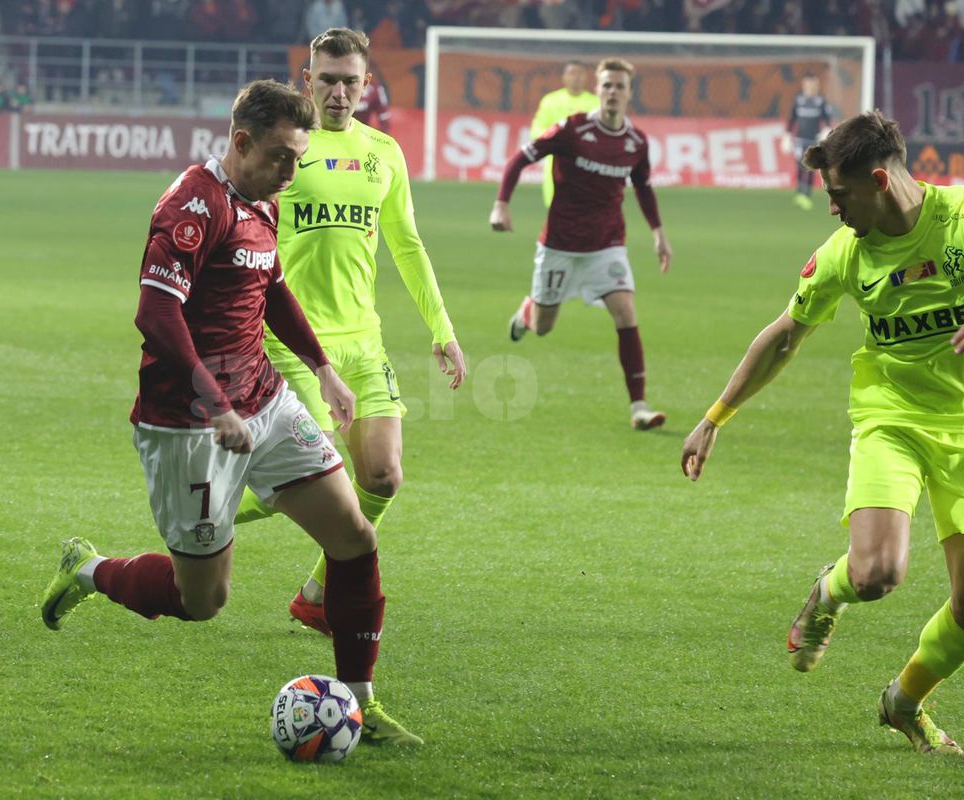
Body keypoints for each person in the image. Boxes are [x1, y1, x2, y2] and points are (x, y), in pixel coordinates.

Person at [38, 79, 422, 746]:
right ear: (241, 142)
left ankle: (361, 705)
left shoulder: (264, 200)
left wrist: (324, 369)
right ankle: (89, 571)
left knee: (354, 537)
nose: (291, 172)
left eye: (298, 157)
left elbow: (272, 291)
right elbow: (155, 312)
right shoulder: (194, 204)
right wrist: (214, 404)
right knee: (202, 600)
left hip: (265, 402)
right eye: (281, 156)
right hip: (188, 424)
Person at [681, 111, 964, 755]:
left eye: (839, 195)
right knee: (878, 574)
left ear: (878, 181)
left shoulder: (958, 218)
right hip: (892, 419)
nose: (832, 209)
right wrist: (714, 417)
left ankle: (903, 702)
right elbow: (785, 336)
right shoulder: (844, 254)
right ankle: (827, 592)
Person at [234, 28, 467, 636]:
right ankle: (207, 511)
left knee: (382, 477)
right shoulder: (285, 147)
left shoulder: (383, 152)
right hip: (292, 340)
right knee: (319, 471)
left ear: (367, 85)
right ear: (306, 81)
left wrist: (441, 327)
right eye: (327, 80)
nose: (338, 93)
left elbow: (407, 244)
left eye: (350, 82)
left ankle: (317, 593)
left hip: (364, 342)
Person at [490, 58, 672, 431]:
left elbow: (643, 187)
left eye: (620, 86)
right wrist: (501, 204)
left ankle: (639, 406)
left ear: (630, 93)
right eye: (607, 85)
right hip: (560, 245)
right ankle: (527, 312)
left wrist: (658, 233)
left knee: (626, 312)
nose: (612, 92)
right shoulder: (572, 129)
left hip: (607, 245)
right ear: (598, 89)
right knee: (544, 326)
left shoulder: (636, 142)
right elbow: (519, 159)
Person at [530, 61, 599, 208]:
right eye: (572, 73)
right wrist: (556, 142)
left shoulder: (595, 104)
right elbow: (537, 129)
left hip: (585, 164)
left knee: (584, 209)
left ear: (586, 77)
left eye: (580, 73)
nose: (576, 77)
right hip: (556, 162)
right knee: (555, 208)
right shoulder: (550, 101)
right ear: (564, 77)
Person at [788, 73, 834, 210]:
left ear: (817, 86)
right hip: (800, 139)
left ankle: (807, 194)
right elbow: (792, 118)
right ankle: (799, 193)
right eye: (808, 84)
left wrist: (826, 131)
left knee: (810, 166)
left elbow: (827, 120)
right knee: (799, 164)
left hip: (813, 139)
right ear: (804, 85)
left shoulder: (821, 102)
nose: (810, 87)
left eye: (813, 84)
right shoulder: (798, 100)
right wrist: (787, 134)